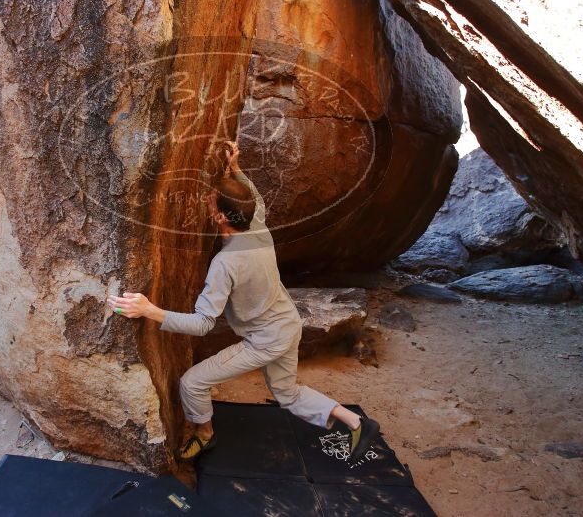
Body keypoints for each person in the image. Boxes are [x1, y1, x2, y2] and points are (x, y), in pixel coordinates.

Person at [107, 141, 379, 462]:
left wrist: (150, 310)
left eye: (210, 201)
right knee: (286, 394)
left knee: (192, 382)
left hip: (264, 340)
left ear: (220, 215)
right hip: (288, 325)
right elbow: (256, 202)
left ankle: (205, 435)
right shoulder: (259, 227)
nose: (206, 201)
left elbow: (204, 323)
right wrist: (235, 171)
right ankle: (356, 422)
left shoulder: (226, 263)